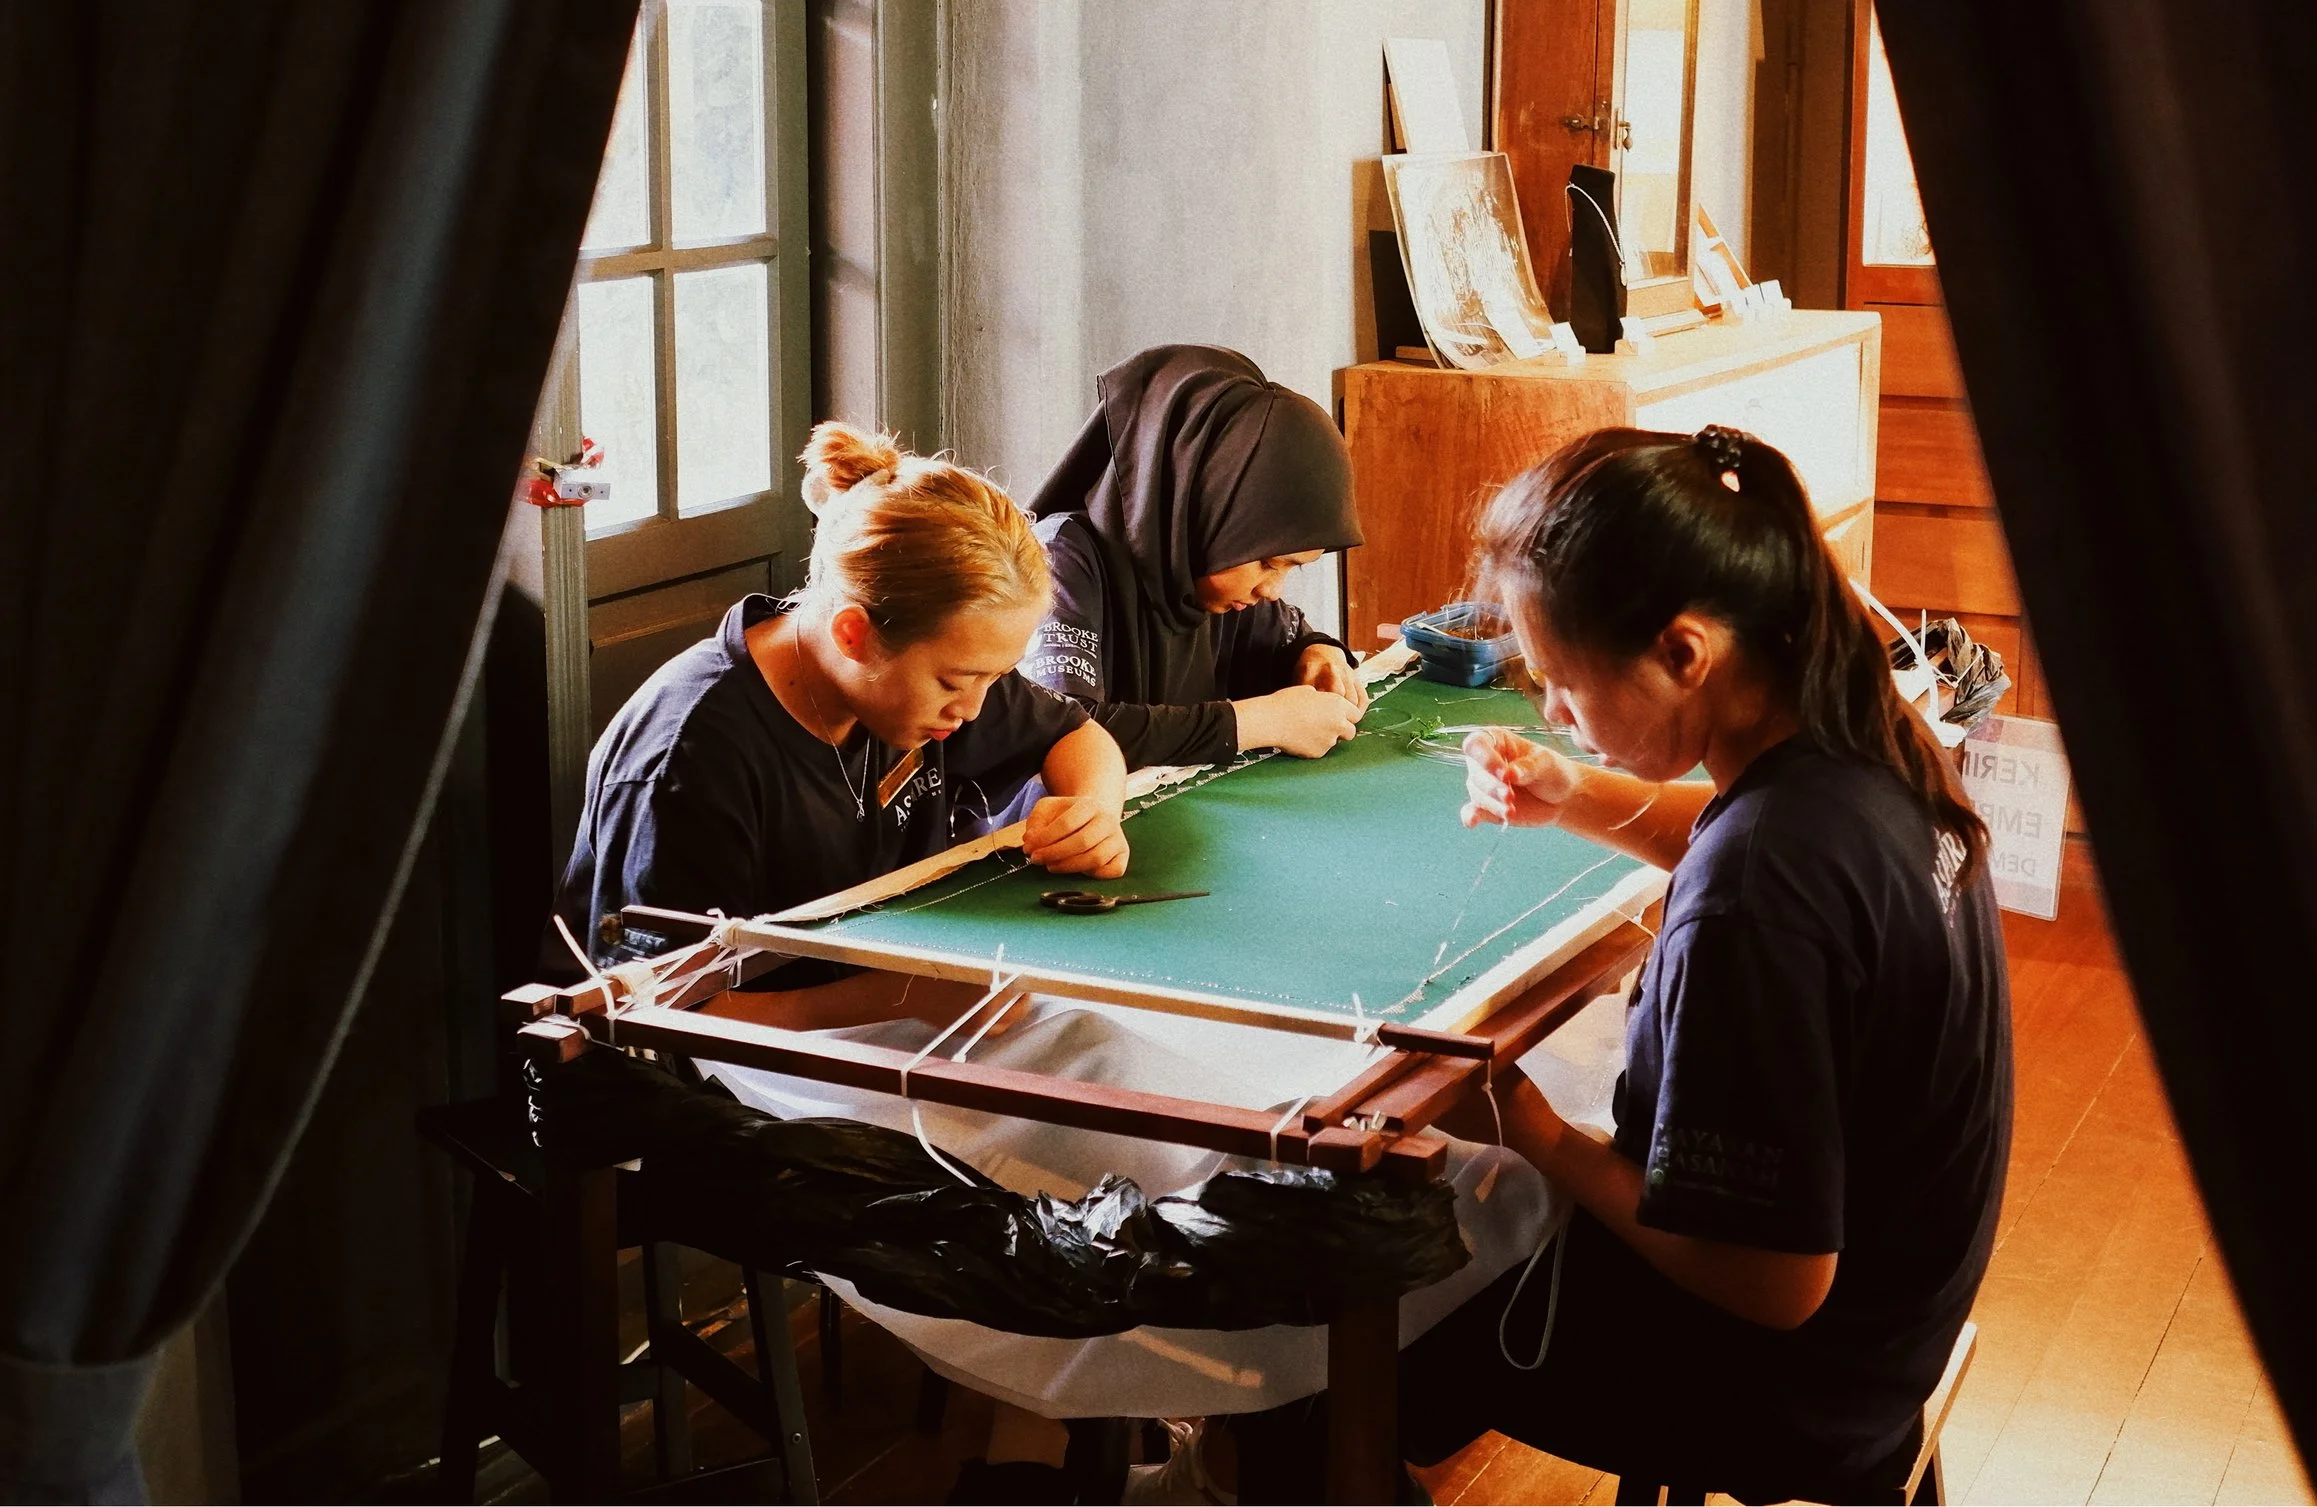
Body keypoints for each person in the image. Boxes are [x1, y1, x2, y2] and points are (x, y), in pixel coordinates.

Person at [1242, 425, 2012, 1503]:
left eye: (1560, 682)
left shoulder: (1754, 901)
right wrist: (1576, 792)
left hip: (1788, 1378)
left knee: (1318, 1339)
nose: (1552, 710)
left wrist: (1534, 1131)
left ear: (1684, 652)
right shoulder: (1868, 735)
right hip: (1897, 1311)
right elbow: (1746, 828)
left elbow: (1773, 1280)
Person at [552, 421, 1132, 1024]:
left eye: (995, 677)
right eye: (957, 682)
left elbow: (1077, 735)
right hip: (717, 1076)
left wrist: (1094, 810)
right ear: (854, 634)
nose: (975, 710)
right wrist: (904, 997)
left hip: (888, 1008)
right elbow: (653, 1010)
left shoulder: (933, 667)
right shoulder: (687, 758)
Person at [1021, 343, 1370, 765]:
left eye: (1290, 567)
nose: (1273, 589)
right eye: (1267, 562)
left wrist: (1317, 652)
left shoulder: (1208, 577)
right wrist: (1250, 724)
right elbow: (1062, 729)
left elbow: (1284, 640)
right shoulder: (1060, 562)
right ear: (1203, 510)